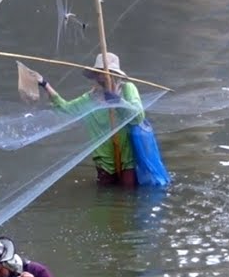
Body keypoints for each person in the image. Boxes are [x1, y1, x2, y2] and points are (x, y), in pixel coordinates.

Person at [23, 52, 145, 187]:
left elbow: (138, 117)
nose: (103, 76)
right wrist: (44, 84)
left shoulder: (127, 89)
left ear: (115, 74)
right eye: (100, 72)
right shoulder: (91, 97)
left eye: (107, 72)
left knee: (128, 196)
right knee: (106, 199)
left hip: (127, 156)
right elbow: (66, 109)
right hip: (103, 160)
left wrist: (118, 101)